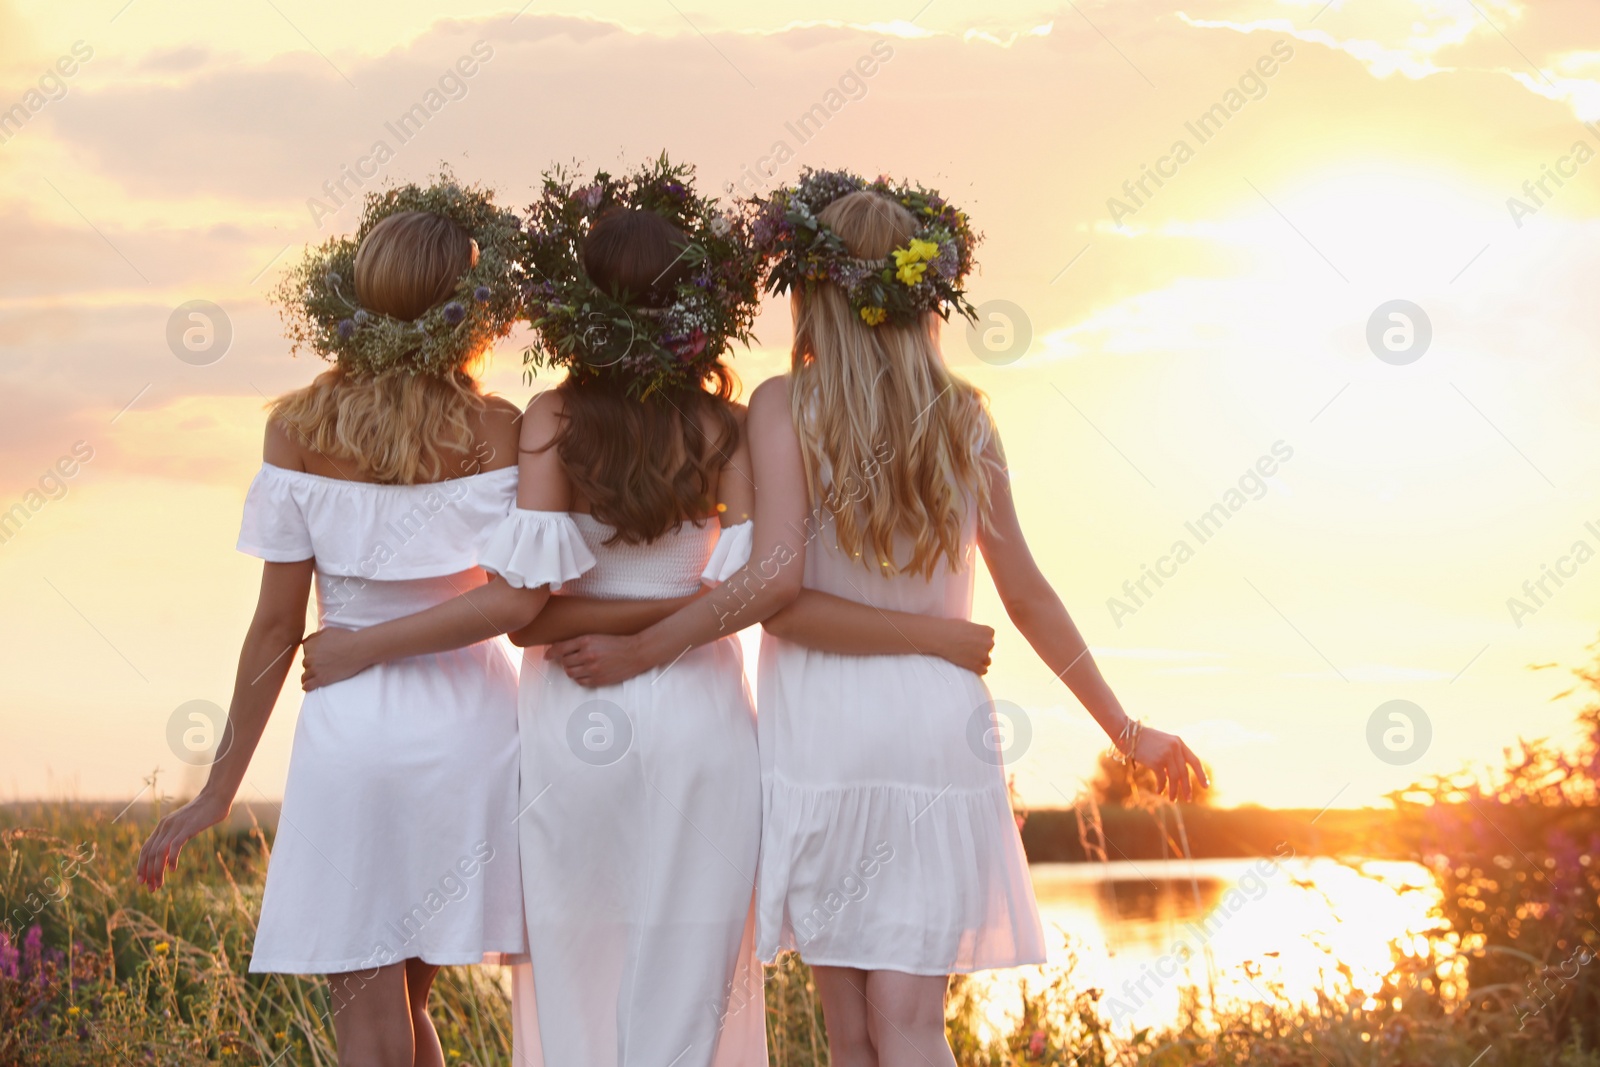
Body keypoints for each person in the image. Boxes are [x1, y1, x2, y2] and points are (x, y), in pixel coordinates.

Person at [298, 160, 994, 1067]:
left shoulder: (550, 419)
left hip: (571, 716)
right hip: (701, 712)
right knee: (694, 977)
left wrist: (618, 630)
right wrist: (666, 626)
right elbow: (757, 589)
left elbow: (527, 618)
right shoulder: (724, 427)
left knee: (578, 963)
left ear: (583, 307)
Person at [547, 171, 1209, 1067]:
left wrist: (646, 647)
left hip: (822, 736)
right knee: (910, 1027)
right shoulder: (965, 417)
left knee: (854, 1034)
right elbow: (1028, 593)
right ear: (920, 295)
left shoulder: (783, 408)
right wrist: (1124, 726)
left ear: (816, 293)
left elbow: (776, 588)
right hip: (935, 732)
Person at [137, 184, 537, 1067]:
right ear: (465, 311)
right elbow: (517, 597)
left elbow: (277, 623)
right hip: (474, 735)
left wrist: (217, 789)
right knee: (409, 1004)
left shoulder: (299, 427)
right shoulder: (498, 429)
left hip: (357, 733)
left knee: (368, 1013)